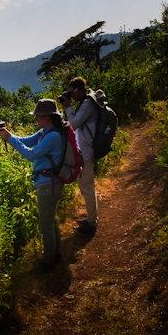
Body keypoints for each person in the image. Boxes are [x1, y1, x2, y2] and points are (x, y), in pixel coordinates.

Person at [0, 99, 66, 270]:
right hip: (49, 181)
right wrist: (10, 135)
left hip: (49, 183)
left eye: (38, 116)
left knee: (45, 222)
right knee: (50, 220)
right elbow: (26, 141)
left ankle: (49, 261)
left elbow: (32, 154)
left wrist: (11, 140)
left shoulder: (53, 136)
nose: (36, 119)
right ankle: (56, 254)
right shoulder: (46, 131)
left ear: (47, 117)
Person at [59, 77, 97, 235]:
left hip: (87, 152)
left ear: (80, 89)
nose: (71, 96)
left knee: (87, 188)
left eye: (71, 92)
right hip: (85, 151)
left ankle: (91, 222)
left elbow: (74, 124)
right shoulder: (84, 103)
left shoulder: (88, 103)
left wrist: (67, 106)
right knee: (86, 187)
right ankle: (91, 217)